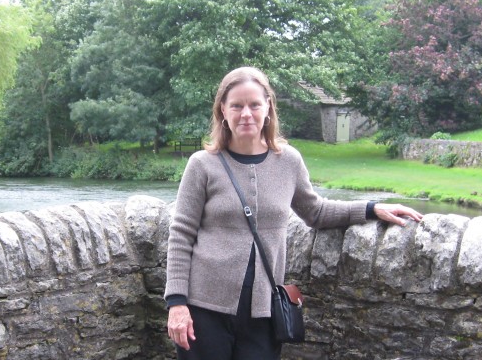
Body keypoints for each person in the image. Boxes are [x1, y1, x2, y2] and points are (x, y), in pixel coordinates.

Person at [165, 67, 424, 359]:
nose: (246, 113)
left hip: (263, 310)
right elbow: (181, 235)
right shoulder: (202, 164)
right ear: (223, 110)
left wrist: (371, 208)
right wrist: (177, 303)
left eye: (254, 104)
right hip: (204, 308)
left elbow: (316, 211)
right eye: (236, 105)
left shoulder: (288, 161)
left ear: (268, 108)